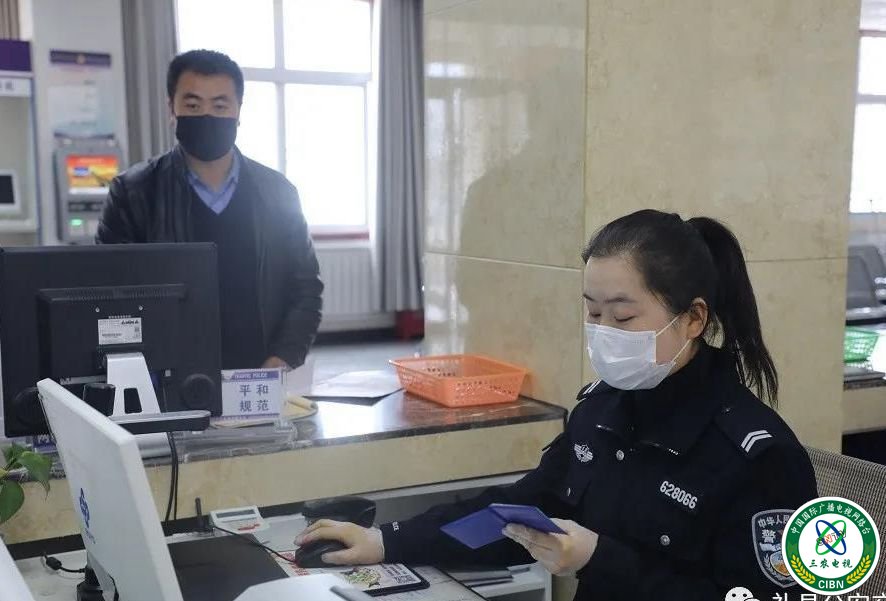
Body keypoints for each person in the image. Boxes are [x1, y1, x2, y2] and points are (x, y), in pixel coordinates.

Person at [294, 210, 818, 600]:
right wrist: (386, 541)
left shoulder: (758, 456)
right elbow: (517, 512)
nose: (603, 332)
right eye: (592, 313)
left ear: (694, 319)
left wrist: (599, 559)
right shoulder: (602, 412)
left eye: (623, 317)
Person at [96, 50, 322, 370]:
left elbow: (305, 287)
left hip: (259, 374)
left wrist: (282, 358)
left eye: (219, 106)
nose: (207, 116)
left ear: (238, 111)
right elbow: (109, 293)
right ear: (171, 109)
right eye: (193, 105)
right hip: (167, 375)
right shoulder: (133, 193)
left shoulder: (278, 193)